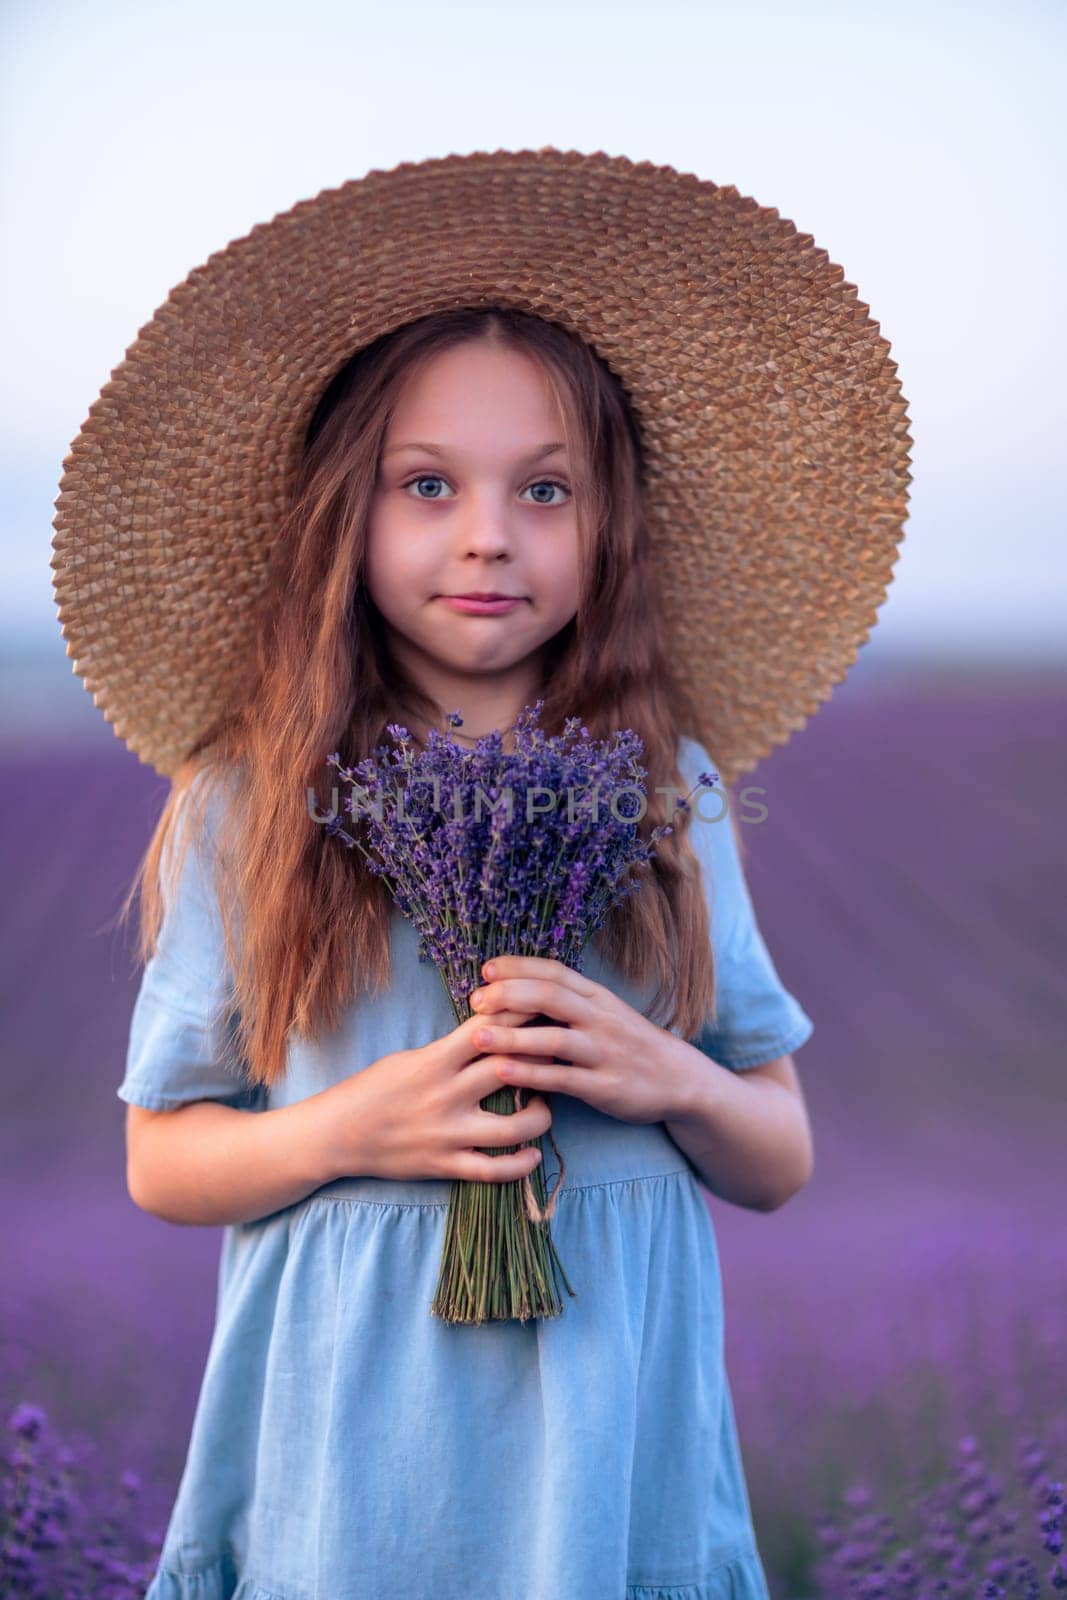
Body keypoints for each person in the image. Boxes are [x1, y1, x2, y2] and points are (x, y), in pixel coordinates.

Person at [51, 149, 911, 1600]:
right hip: (359, 1460)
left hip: (607, 1464)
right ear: (345, 513)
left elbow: (780, 1156)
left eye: (548, 490)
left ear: (611, 525)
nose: (488, 535)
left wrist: (670, 1076)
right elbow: (162, 1156)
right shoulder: (251, 796)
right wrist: (348, 1129)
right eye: (429, 485)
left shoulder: (667, 788)